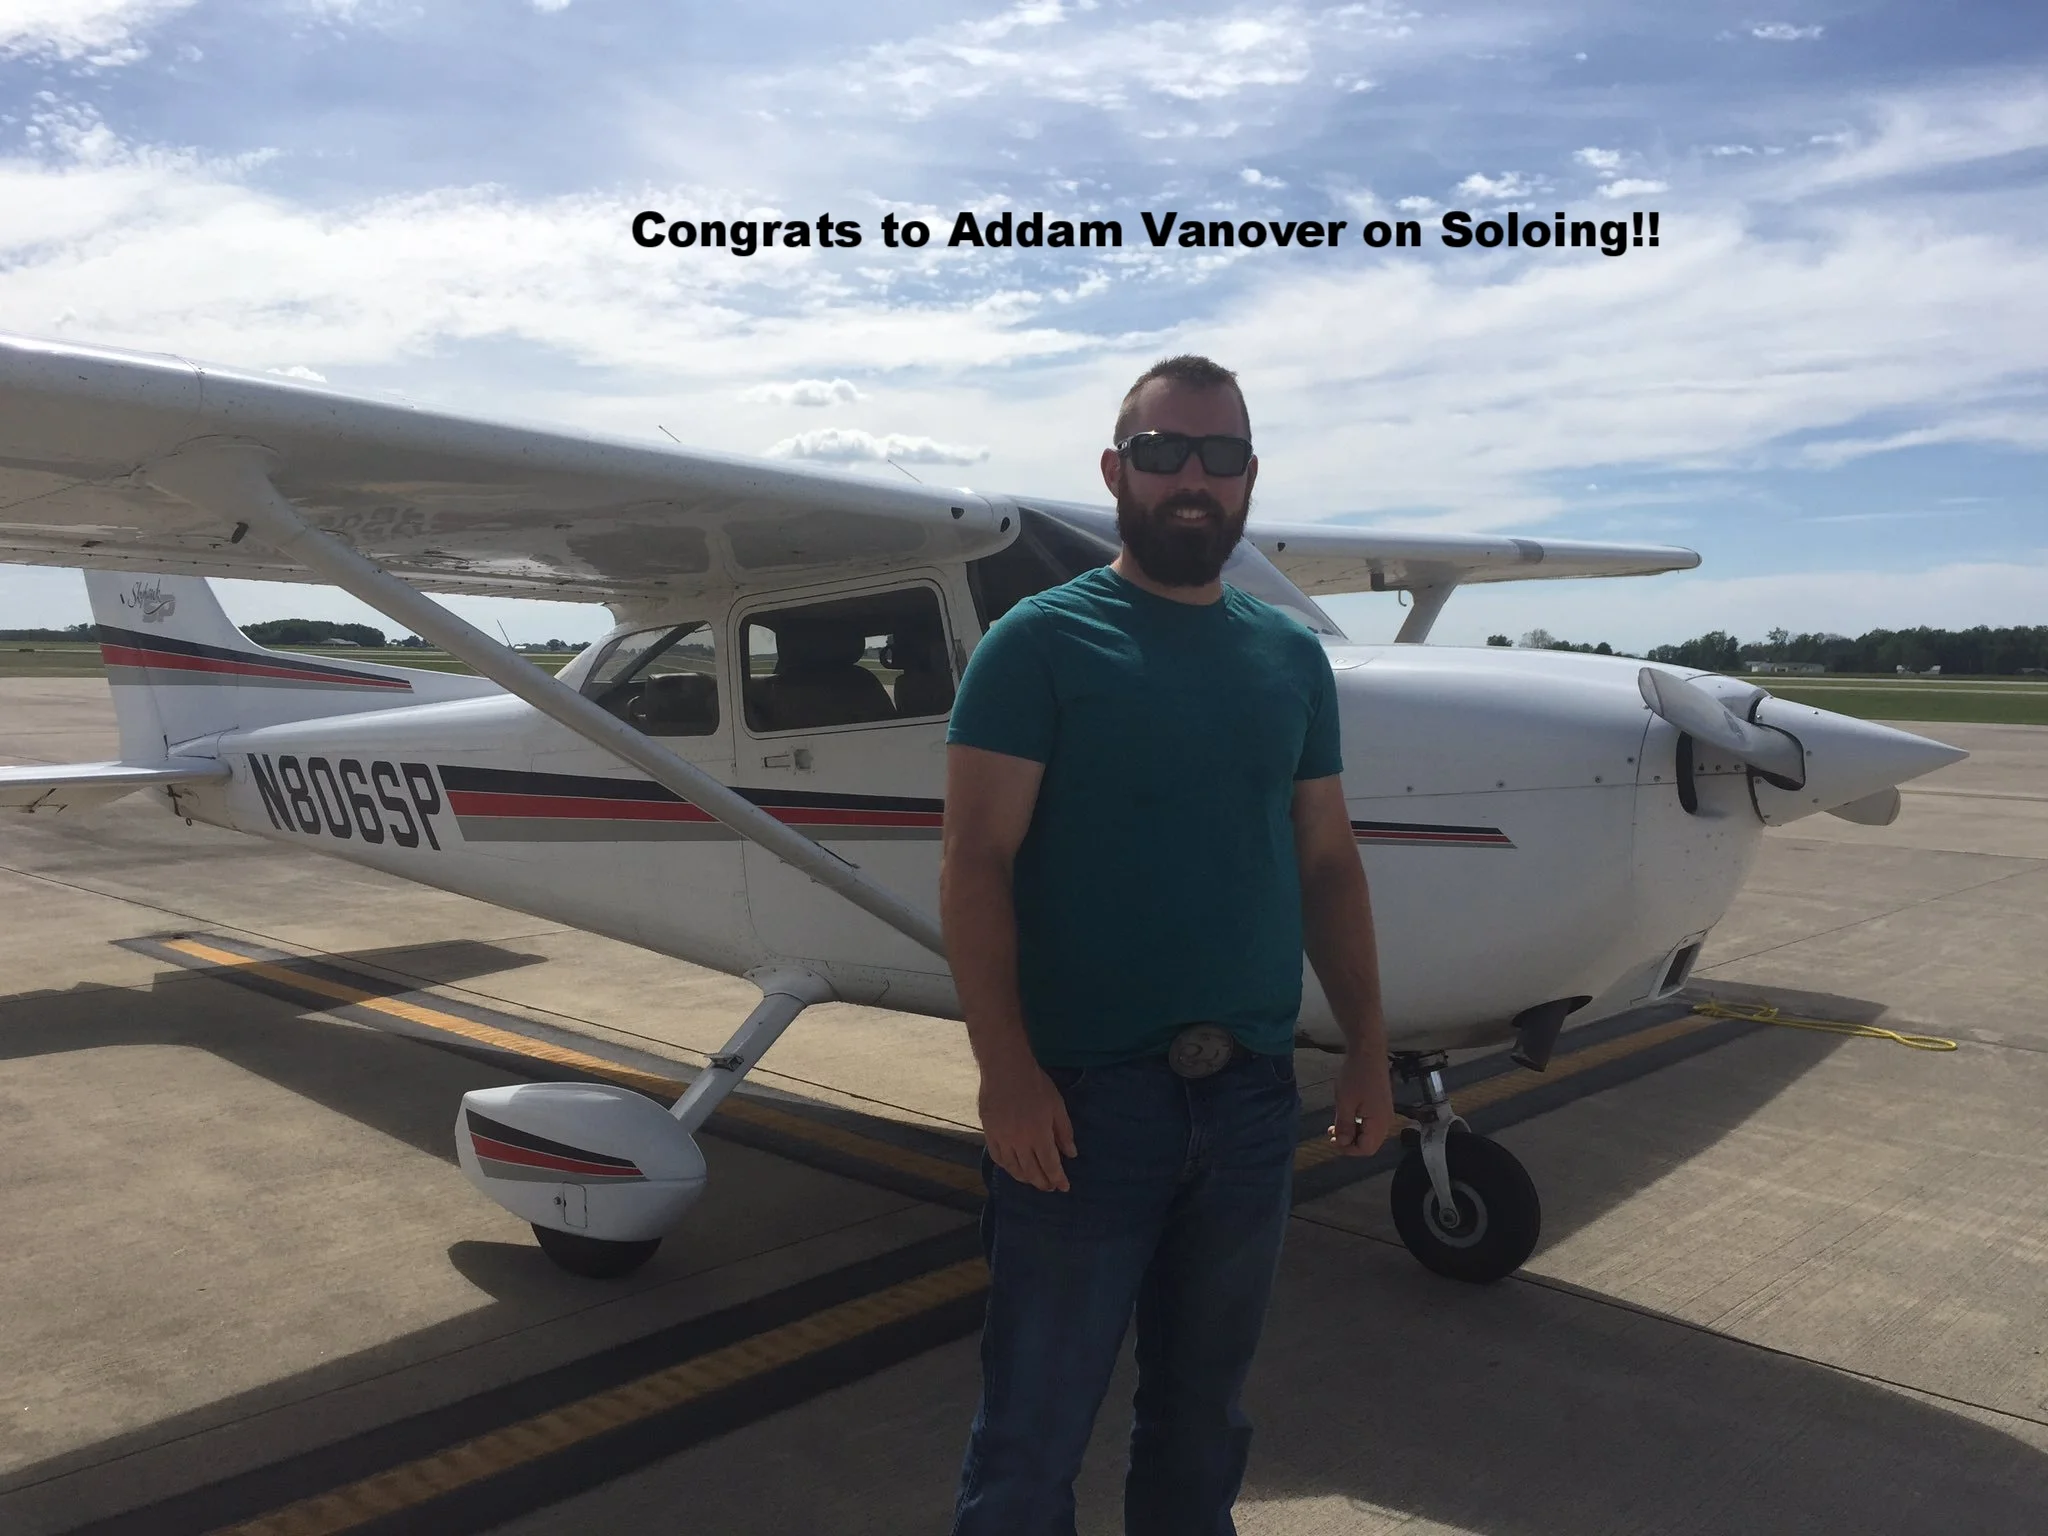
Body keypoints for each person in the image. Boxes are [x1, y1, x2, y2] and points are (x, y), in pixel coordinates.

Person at [941, 354, 1396, 1535]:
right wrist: (1006, 1074)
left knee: (1201, 1427)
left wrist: (1366, 1051)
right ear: (1116, 471)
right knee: (1030, 1442)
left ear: (1248, 477)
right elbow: (974, 863)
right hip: (1083, 1106)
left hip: (1247, 1101)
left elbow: (1326, 861)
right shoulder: (1037, 644)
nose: (1193, 478)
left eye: (1220, 455)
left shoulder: (1288, 656)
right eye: (1162, 453)